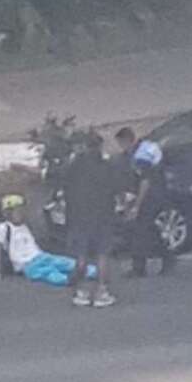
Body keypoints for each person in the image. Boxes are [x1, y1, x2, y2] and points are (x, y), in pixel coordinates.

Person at [0, 194, 96, 287]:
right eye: (17, 211)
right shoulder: (4, 228)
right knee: (47, 273)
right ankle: (67, 280)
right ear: (7, 213)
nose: (21, 213)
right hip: (26, 265)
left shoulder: (25, 226)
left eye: (22, 210)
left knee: (63, 262)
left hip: (39, 256)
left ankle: (92, 271)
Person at [63, 131, 117, 307]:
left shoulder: (75, 166)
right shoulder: (106, 166)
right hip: (102, 216)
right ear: (99, 146)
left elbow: (66, 188)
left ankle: (82, 291)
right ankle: (102, 291)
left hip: (79, 217)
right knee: (102, 255)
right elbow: (114, 190)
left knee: (82, 256)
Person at [114, 127, 175, 277]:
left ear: (127, 140)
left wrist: (136, 205)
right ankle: (165, 257)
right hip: (155, 194)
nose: (121, 147)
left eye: (121, 143)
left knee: (139, 229)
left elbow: (145, 181)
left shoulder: (141, 156)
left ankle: (139, 267)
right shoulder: (143, 149)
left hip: (151, 196)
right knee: (146, 229)